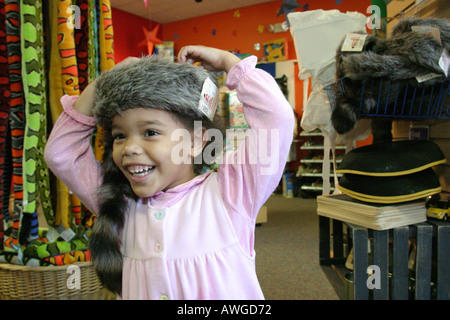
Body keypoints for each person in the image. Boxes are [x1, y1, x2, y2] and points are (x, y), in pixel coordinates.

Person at [44, 45, 295, 299]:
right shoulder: (122, 202)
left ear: (196, 142)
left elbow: (277, 118)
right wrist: (102, 84)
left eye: (150, 132)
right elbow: (59, 153)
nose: (129, 148)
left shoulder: (231, 193)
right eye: (120, 135)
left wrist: (228, 62)